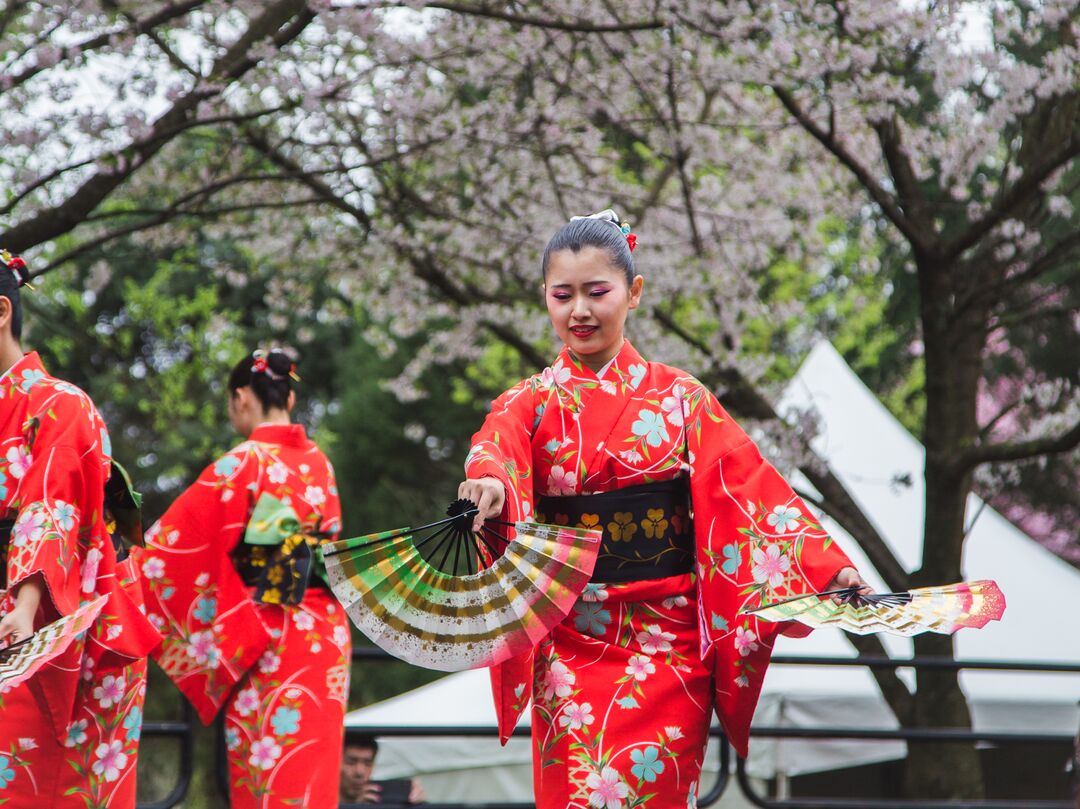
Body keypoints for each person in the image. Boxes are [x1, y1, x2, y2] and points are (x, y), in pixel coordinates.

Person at [457, 211, 868, 807]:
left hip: (665, 646)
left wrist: (826, 567)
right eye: (562, 295)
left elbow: (748, 489)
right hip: (571, 641)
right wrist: (490, 482)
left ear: (634, 292)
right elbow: (497, 442)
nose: (580, 311)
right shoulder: (531, 402)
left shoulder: (682, 399)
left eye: (598, 292)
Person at [131, 349, 352, 808]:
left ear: (241, 399)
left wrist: (114, 575)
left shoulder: (243, 463)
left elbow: (168, 551)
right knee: (310, 781)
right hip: (325, 631)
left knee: (268, 776)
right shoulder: (320, 464)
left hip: (271, 631)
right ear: (288, 400)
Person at [0, 250, 160, 808]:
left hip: (64, 624)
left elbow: (50, 507)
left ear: (1, 312)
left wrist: (24, 601)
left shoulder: (59, 405)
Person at [340, 734, 425, 806]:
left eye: (368, 763)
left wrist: (420, 804)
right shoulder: (326, 801)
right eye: (350, 762)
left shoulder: (383, 798)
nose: (360, 772)